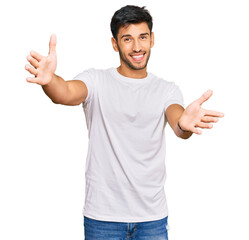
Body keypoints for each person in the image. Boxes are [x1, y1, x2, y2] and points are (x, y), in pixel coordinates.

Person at [25, 5, 224, 240]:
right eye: (127, 39)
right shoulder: (96, 81)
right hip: (103, 217)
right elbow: (65, 92)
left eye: (143, 37)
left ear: (152, 39)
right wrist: (50, 82)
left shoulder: (166, 90)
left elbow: (179, 124)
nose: (137, 47)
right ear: (114, 44)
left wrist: (184, 124)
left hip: (152, 218)